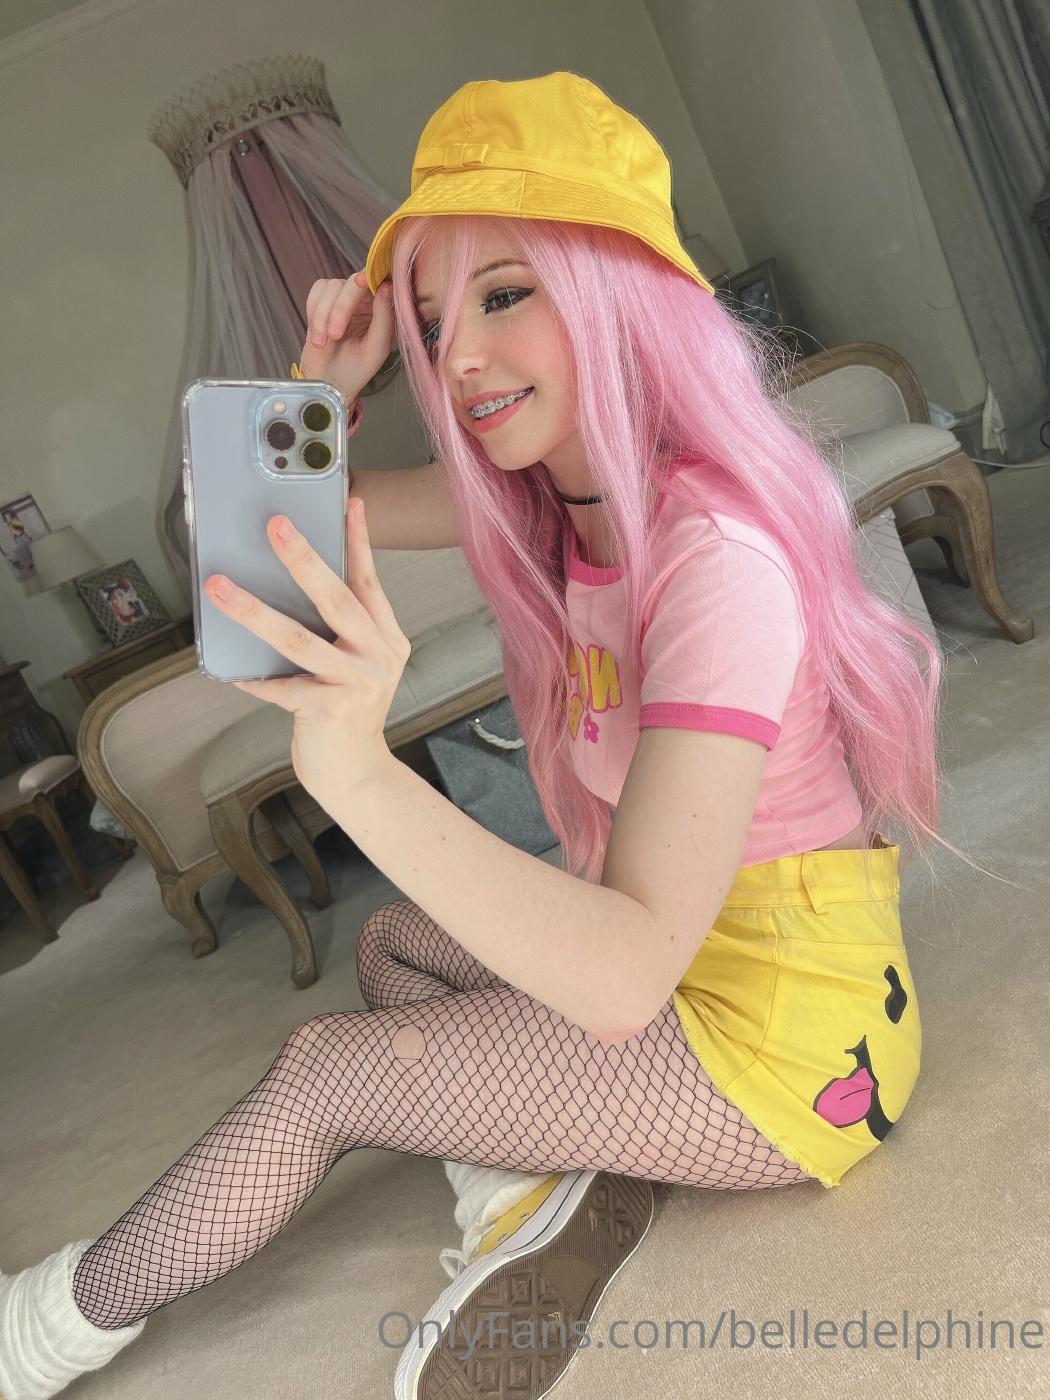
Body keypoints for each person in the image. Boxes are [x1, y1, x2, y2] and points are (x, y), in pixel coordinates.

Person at [0, 70, 972, 1400]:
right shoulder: (547, 505)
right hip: (675, 968)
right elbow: (250, 553)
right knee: (392, 943)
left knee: (324, 1074)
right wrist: (319, 382)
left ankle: (32, 1338)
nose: (453, 359)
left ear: (621, 290)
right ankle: (566, 1168)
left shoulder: (716, 558)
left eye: (505, 294)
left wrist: (352, 767)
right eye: (431, 319)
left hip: (785, 1049)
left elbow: (622, 979)